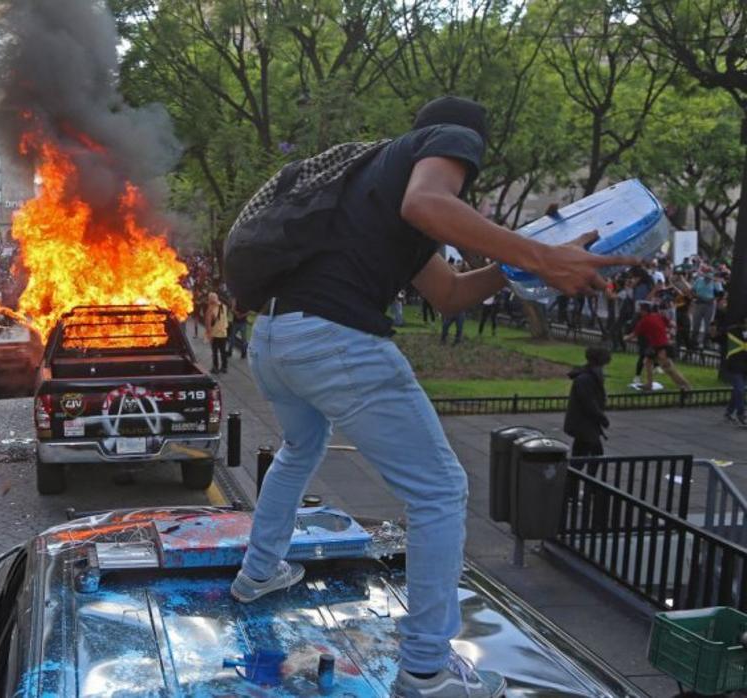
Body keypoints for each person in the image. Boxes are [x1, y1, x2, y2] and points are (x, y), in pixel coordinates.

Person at [230, 96, 634, 698]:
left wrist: (523, 261)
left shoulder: (369, 192)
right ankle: (425, 672)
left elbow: (448, 295)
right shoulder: (447, 140)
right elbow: (429, 200)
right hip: (334, 338)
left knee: (300, 445)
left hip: (274, 340)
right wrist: (540, 254)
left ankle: (257, 573)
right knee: (441, 490)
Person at [627, 301, 692, 391]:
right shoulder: (658, 316)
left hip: (660, 346)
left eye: (641, 310)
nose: (639, 312)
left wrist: (625, 338)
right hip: (658, 345)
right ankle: (649, 384)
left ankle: (686, 386)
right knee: (647, 362)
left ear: (645, 311)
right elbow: (671, 324)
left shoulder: (644, 321)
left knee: (669, 368)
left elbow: (634, 334)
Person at [563, 346, 611, 463]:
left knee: (582, 454)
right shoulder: (586, 378)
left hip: (585, 423)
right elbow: (588, 403)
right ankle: (584, 480)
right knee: (593, 453)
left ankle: (575, 479)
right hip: (583, 423)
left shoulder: (591, 375)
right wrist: (602, 418)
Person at [711, 297, 746, 426]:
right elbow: (715, 338)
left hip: (745, 365)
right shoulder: (731, 331)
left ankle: (729, 413)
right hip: (734, 364)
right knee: (740, 390)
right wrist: (713, 326)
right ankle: (741, 415)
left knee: (739, 390)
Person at [204, 291, 230, 374]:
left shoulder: (211, 309)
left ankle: (215, 368)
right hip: (223, 333)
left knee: (215, 352)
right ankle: (224, 367)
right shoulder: (224, 307)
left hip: (215, 334)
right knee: (223, 351)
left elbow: (208, 323)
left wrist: (209, 335)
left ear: (210, 300)